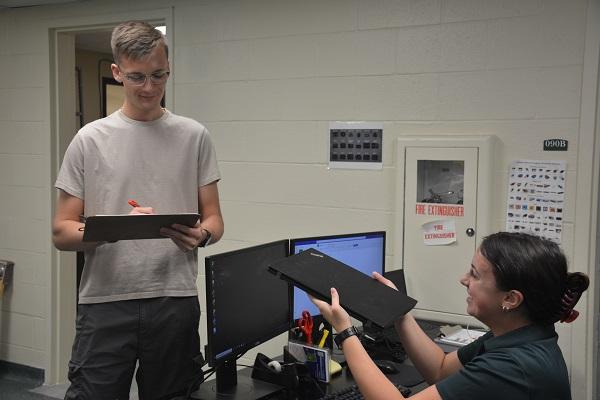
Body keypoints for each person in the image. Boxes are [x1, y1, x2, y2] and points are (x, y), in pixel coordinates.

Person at [52, 20, 224, 400]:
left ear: (168, 68)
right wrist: (113, 229)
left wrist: (203, 235)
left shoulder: (194, 136)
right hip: (105, 301)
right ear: (117, 72)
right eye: (137, 77)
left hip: (174, 298)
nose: (150, 88)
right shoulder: (89, 140)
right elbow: (62, 232)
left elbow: (214, 219)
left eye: (158, 75)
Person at [311, 232, 589, 400]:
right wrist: (398, 310)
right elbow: (441, 370)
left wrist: (345, 331)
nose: (463, 279)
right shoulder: (518, 333)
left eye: (475, 275)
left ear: (510, 299)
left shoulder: (512, 367)